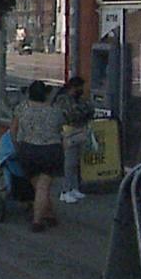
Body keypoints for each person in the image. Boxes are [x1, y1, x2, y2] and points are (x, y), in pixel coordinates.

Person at [8, 80, 68, 231]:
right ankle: (37, 221)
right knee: (43, 187)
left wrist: (17, 146)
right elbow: (62, 129)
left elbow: (13, 129)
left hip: (28, 150)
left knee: (39, 186)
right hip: (50, 151)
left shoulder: (22, 108)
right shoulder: (55, 110)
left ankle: (49, 214)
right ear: (46, 94)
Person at [53, 76, 95, 204]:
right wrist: (84, 112)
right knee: (69, 163)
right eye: (80, 87)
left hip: (77, 132)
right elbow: (72, 114)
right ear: (73, 88)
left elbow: (89, 109)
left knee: (75, 162)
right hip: (68, 133)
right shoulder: (63, 99)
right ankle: (65, 191)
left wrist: (84, 111)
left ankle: (74, 187)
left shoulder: (77, 99)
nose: (82, 90)